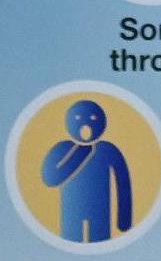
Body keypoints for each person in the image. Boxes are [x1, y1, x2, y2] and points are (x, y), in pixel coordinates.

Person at [41, 99, 133, 245]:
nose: (85, 124)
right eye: (78, 119)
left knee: (101, 243)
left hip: (101, 209)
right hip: (72, 210)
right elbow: (50, 179)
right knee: (70, 243)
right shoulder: (63, 148)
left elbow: (123, 183)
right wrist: (81, 152)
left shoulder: (107, 149)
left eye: (93, 119)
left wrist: (124, 219)